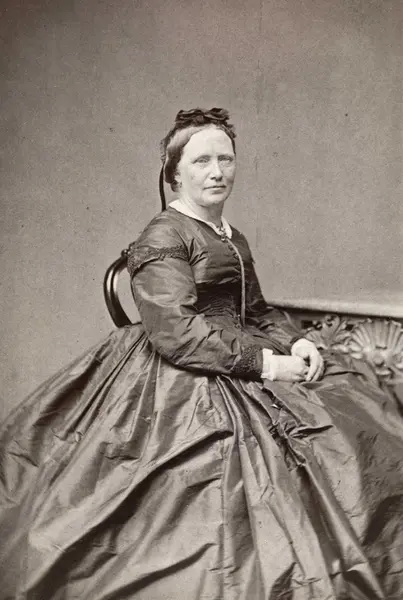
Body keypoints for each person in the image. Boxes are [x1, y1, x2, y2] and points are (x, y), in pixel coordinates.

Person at [0, 108, 402, 600]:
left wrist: (295, 341)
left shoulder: (231, 235)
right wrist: (266, 364)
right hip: (184, 370)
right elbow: (177, 332)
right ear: (174, 173)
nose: (217, 172)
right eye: (201, 161)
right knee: (228, 479)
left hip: (236, 351)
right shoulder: (164, 234)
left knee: (356, 407)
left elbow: (255, 310)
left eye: (225, 159)